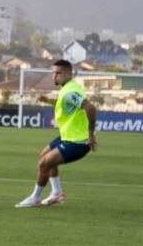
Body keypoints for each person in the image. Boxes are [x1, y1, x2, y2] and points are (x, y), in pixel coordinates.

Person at [16, 58, 97, 208]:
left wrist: (91, 135)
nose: (54, 76)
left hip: (77, 142)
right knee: (44, 155)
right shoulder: (68, 88)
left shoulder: (70, 91)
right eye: (53, 73)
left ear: (67, 73)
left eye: (57, 73)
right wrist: (47, 100)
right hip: (68, 137)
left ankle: (35, 198)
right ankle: (56, 192)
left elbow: (90, 108)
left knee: (44, 163)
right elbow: (65, 102)